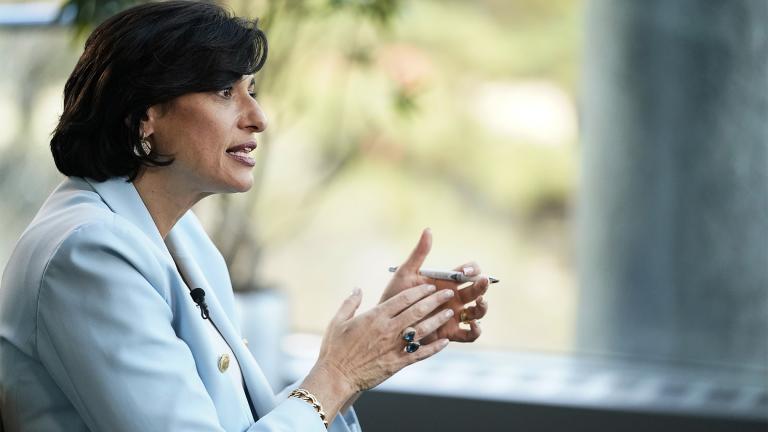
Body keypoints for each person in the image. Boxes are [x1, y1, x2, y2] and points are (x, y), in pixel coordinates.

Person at [0, 1, 490, 431]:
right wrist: (340, 371)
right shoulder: (90, 253)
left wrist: (385, 336)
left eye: (251, 89)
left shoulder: (178, 234)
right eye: (223, 92)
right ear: (145, 115)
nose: (257, 117)